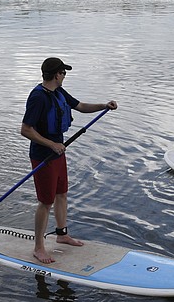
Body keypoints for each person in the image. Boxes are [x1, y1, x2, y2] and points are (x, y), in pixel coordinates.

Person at [21, 57, 118, 264]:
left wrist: (104, 106)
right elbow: (26, 130)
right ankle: (39, 247)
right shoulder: (38, 97)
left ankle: (62, 234)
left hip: (58, 153)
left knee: (61, 194)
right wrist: (51, 144)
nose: (65, 76)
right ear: (57, 75)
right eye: (63, 73)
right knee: (45, 202)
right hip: (43, 156)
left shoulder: (58, 92)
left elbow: (80, 106)